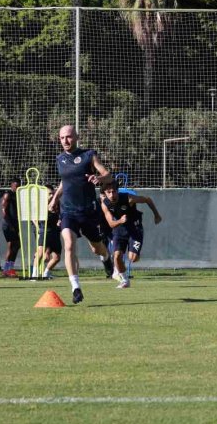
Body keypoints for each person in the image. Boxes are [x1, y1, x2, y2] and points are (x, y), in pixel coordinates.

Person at [52, 124, 113, 304]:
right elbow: (65, 182)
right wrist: (55, 198)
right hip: (67, 211)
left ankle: (106, 258)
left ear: (77, 137)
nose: (65, 141)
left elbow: (108, 175)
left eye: (69, 137)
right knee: (69, 245)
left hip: (87, 212)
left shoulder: (88, 155)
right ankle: (76, 287)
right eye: (62, 138)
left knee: (97, 248)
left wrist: (99, 178)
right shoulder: (60, 159)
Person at [100, 179, 163, 288]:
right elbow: (111, 223)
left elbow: (147, 199)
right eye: (108, 192)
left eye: (114, 191)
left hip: (135, 229)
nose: (112, 194)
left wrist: (156, 215)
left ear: (117, 191)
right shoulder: (105, 204)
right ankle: (124, 280)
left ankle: (136, 253)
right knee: (117, 256)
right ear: (105, 193)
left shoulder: (128, 198)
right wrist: (120, 221)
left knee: (133, 258)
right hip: (119, 230)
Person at [0, 178, 21, 277]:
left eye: (19, 186)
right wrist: (10, 225)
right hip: (8, 224)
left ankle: (8, 269)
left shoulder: (18, 195)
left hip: (15, 224)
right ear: (12, 185)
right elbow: (4, 211)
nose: (17, 188)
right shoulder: (8, 194)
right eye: (16, 186)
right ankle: (7, 269)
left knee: (15, 246)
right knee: (13, 245)